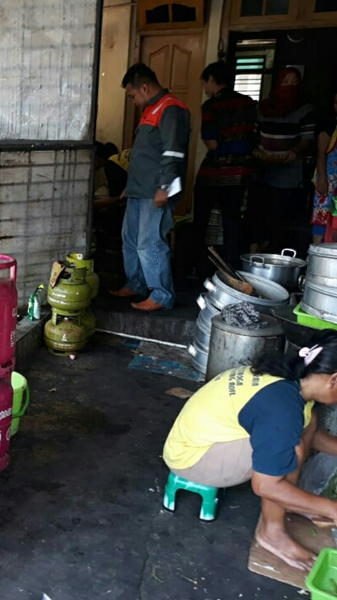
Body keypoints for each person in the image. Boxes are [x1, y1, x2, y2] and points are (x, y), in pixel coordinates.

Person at [163, 331, 337, 572]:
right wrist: (332, 509)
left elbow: (309, 431)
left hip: (198, 439)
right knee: (291, 449)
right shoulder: (282, 408)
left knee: (307, 424)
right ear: (334, 379)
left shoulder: (293, 380)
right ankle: (272, 533)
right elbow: (265, 485)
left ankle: (293, 502)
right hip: (193, 457)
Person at [109, 63, 191, 312]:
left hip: (155, 191)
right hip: (139, 190)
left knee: (150, 242)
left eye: (132, 95)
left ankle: (161, 294)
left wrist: (164, 187)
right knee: (130, 239)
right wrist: (129, 187)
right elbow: (145, 155)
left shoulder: (171, 108)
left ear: (144, 87)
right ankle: (136, 283)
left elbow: (173, 152)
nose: (132, 101)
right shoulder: (150, 110)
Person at [193, 61, 256, 273]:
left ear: (212, 80)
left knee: (201, 221)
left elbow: (212, 143)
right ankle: (231, 270)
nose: (205, 89)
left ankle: (197, 267)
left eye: (205, 84)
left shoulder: (211, 106)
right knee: (232, 223)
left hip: (213, 175)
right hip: (240, 173)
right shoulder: (248, 103)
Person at [248, 67, 314, 253]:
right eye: (286, 82)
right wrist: (258, 152)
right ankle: (253, 252)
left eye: (294, 82)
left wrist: (293, 151)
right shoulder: (263, 108)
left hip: (288, 173)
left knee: (279, 216)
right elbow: (254, 134)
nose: (290, 86)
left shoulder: (305, 109)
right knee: (256, 213)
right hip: (261, 169)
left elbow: (306, 140)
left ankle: (270, 254)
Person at [311, 92, 337, 243]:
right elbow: (321, 153)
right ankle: (317, 251)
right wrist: (322, 178)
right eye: (335, 102)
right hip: (328, 178)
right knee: (322, 216)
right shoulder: (329, 125)